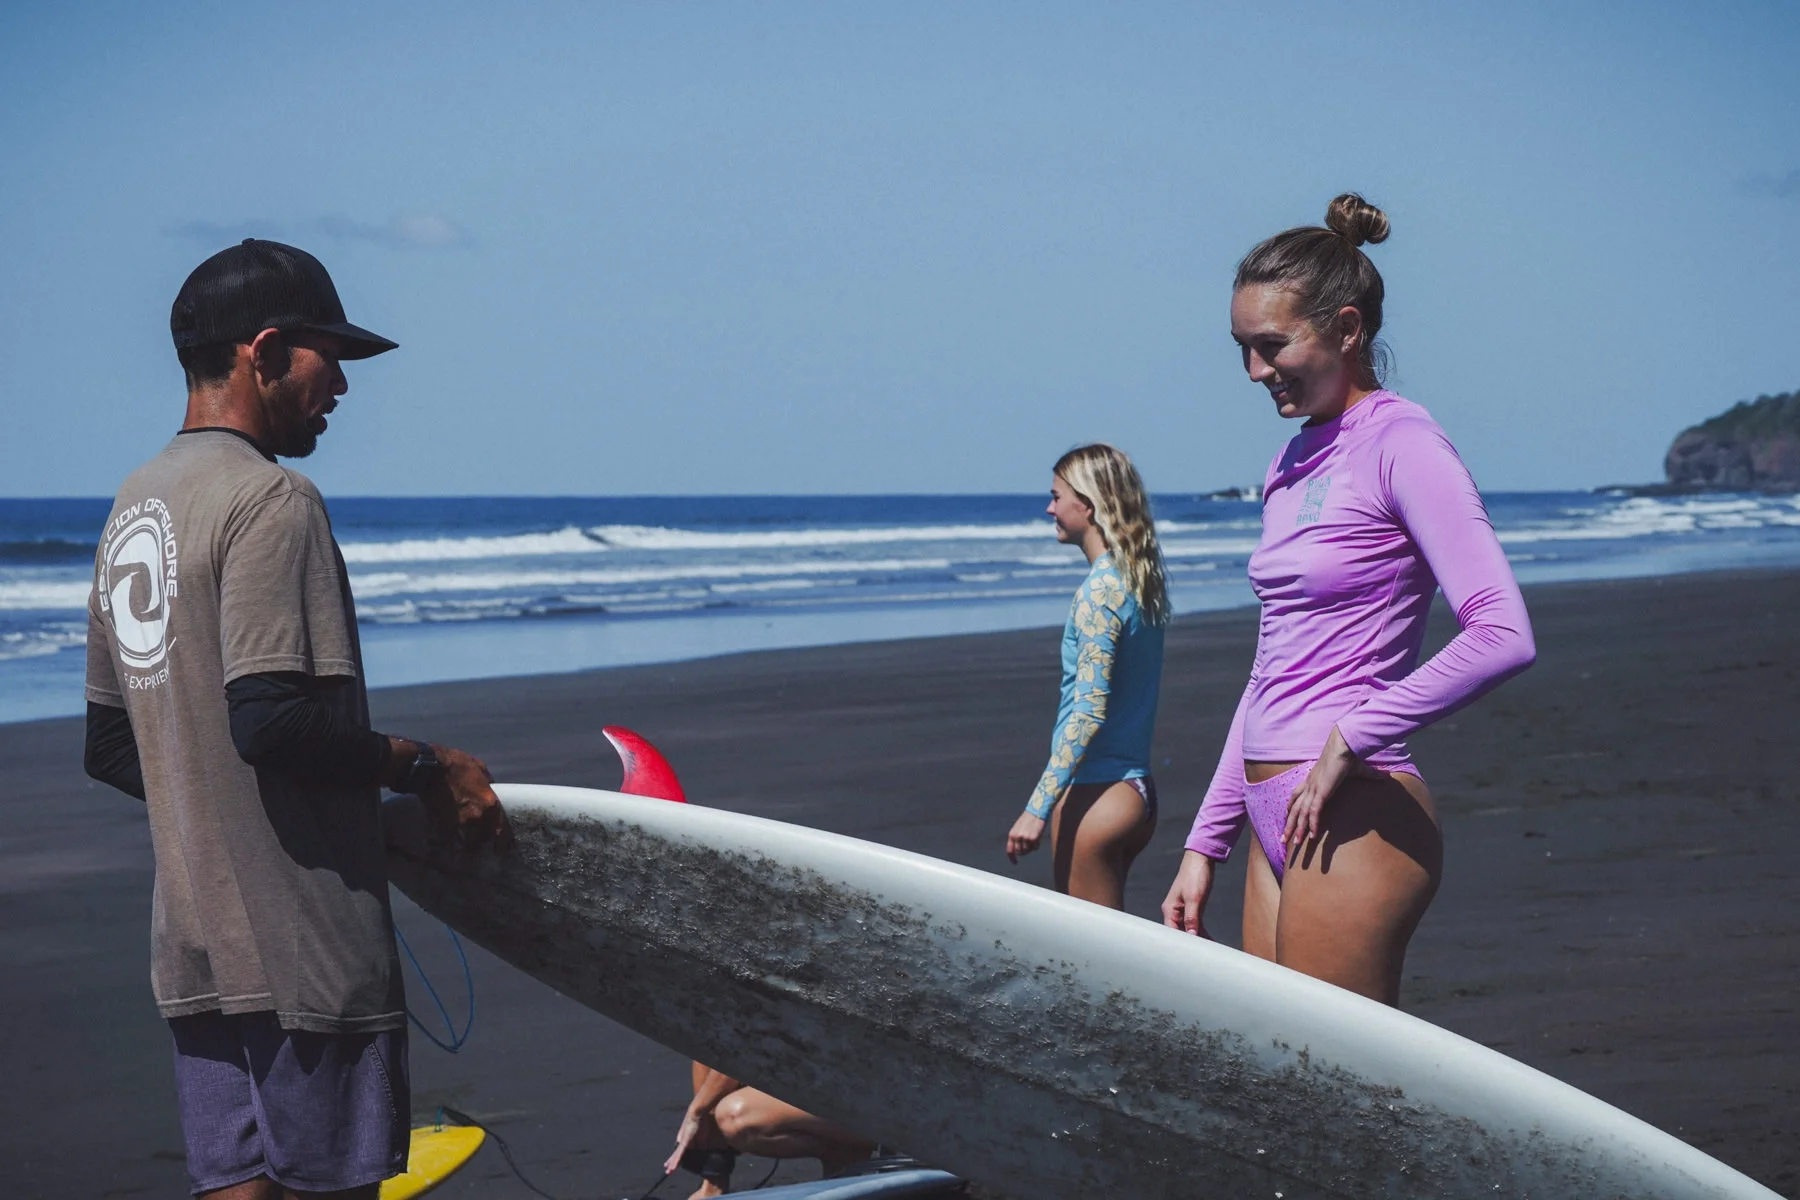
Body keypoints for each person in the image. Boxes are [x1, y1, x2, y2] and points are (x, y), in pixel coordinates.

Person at [82, 239, 510, 1200]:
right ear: (265, 352)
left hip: (194, 947)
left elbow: (115, 746)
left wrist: (219, 816)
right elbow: (272, 722)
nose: (345, 387)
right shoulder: (271, 500)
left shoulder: (135, 506)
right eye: (332, 357)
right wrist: (422, 764)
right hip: (307, 954)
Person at [1160, 195, 1536, 1005]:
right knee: (1270, 1092)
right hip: (1276, 815)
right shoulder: (1290, 464)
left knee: (1330, 1099)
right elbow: (1270, 672)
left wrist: (1352, 736)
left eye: (1272, 345)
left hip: (1355, 810)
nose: (1255, 371)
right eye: (1242, 349)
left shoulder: (1406, 445)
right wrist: (1205, 842)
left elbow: (1503, 632)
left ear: (1347, 327)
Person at [1007, 444, 1169, 909]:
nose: (1049, 508)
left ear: (1089, 504)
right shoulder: (1138, 578)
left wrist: (1036, 809)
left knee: (1093, 971)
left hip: (1099, 795)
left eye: (1057, 497)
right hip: (1137, 793)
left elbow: (1088, 711)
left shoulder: (1099, 591)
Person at [664, 1062, 876, 1199]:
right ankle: (713, 1181)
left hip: (879, 1101)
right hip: (830, 1084)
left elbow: (734, 1046)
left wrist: (696, 1111)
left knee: (736, 1116)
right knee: (705, 1040)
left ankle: (856, 1151)